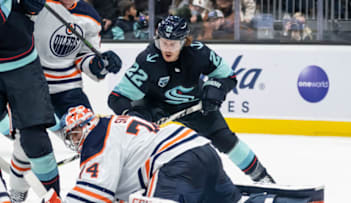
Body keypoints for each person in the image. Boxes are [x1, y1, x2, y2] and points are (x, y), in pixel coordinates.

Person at [108, 15, 275, 184]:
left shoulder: (199, 53)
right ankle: (134, 183)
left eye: (172, 44)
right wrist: (134, 115)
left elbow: (228, 76)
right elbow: (116, 98)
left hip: (196, 105)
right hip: (157, 111)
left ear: (184, 42)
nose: (167, 48)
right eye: (163, 42)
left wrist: (215, 88)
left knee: (226, 139)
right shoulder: (148, 61)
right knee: (148, 149)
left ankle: (262, 177)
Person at [7, 0, 122, 202]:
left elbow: (84, 56)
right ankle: (17, 195)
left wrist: (99, 64)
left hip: (69, 91)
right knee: (27, 144)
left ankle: (96, 190)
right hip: (31, 84)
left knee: (91, 138)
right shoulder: (38, 5)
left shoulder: (89, 15)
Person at [44, 105, 242, 202]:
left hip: (176, 164)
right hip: (203, 150)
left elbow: (93, 194)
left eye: (75, 133)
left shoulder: (96, 139)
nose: (74, 141)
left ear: (86, 125)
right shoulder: (115, 124)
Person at [0, 0, 60, 198]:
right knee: (12, 129)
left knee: (35, 141)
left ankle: (53, 197)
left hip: (22, 63)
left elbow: (33, 7)